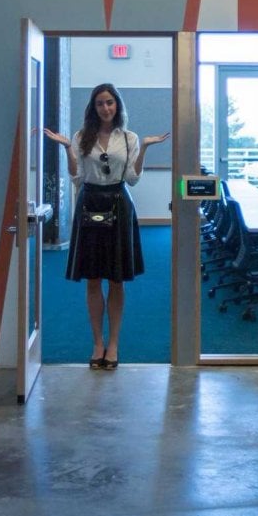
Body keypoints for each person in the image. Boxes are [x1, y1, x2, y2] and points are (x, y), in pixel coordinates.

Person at [44, 83, 169, 370]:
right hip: (89, 202)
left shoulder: (128, 138)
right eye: (100, 103)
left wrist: (144, 148)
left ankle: (113, 344)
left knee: (116, 278)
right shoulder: (81, 137)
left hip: (118, 204)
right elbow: (77, 177)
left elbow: (133, 179)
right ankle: (97, 343)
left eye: (110, 102)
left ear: (117, 105)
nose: (105, 108)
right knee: (92, 279)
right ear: (93, 107)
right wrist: (68, 149)